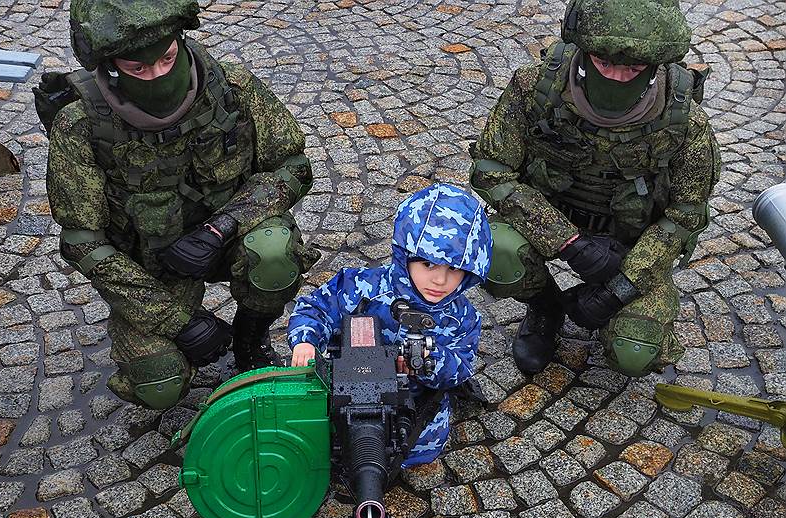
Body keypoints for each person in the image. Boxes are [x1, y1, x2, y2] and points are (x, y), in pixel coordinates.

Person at [43, 0, 319, 410]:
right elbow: (82, 241)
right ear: (111, 66)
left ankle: (249, 341)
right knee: (160, 383)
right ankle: (182, 345)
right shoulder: (82, 124)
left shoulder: (232, 89)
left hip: (227, 240)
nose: (157, 75)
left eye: (168, 58)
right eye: (138, 69)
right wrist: (181, 322)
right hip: (152, 270)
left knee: (274, 253)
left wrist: (223, 225)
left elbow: (293, 167)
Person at [470, 0, 721, 377]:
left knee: (635, 351)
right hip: (551, 222)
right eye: (605, 63)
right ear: (584, 53)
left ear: (656, 66)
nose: (619, 77)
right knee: (494, 252)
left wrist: (619, 288)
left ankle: (613, 317)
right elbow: (492, 170)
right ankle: (546, 306)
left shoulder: (684, 121)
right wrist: (567, 242)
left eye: (634, 68)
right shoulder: (536, 90)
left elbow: (686, 215)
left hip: (631, 247)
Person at [287, 183, 492, 466]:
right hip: (347, 397)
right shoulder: (363, 286)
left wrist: (427, 363)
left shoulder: (462, 317)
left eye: (454, 269)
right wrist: (306, 341)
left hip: (414, 413)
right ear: (404, 255)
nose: (440, 280)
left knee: (413, 452)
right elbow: (315, 308)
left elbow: (461, 368)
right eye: (428, 264)